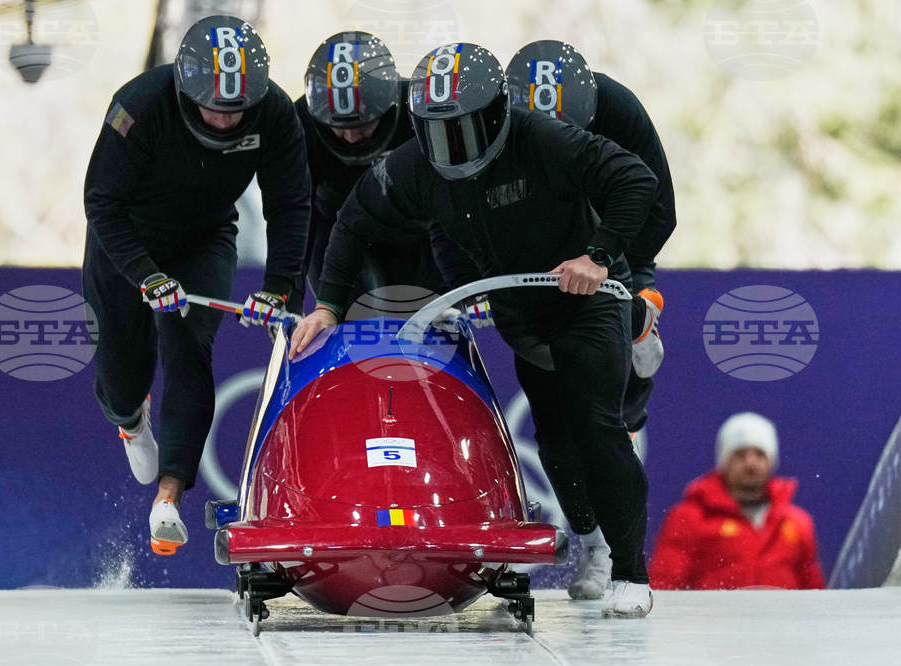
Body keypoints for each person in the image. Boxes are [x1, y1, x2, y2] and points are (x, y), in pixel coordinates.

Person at [291, 43, 658, 618]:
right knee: (555, 438)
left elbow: (635, 179)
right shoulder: (415, 165)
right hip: (522, 312)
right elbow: (353, 221)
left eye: (465, 130)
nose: (452, 148)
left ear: (497, 115)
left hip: (584, 304)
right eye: (439, 132)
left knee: (595, 427)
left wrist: (599, 256)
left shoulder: (544, 139)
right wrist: (329, 306)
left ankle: (633, 575)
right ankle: (595, 550)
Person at [83, 15, 309, 556]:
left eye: (236, 112)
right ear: (185, 91)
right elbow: (101, 203)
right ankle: (130, 422)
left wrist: (279, 288)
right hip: (126, 242)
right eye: (213, 109)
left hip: (203, 238)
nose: (224, 122)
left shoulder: (275, 113)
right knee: (121, 375)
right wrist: (146, 274)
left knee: (189, 347)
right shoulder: (138, 105)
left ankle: (169, 496)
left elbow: (291, 204)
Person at [499, 40, 677, 600]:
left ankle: (637, 322)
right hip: (536, 260)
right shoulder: (494, 125)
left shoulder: (619, 109)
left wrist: (617, 273)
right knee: (555, 432)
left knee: (601, 416)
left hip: (605, 242)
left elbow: (658, 207)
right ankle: (592, 541)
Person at [291, 31, 446, 316]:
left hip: (417, 234)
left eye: (362, 126)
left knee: (426, 323)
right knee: (355, 320)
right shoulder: (301, 124)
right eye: (339, 128)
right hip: (336, 231)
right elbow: (297, 213)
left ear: (387, 109)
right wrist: (289, 294)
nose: (350, 137)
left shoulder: (421, 112)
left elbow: (450, 200)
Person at [649, 413, 825, 590]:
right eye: (740, 454)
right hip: (714, 618)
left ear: (772, 461)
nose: (750, 463)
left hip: (786, 618)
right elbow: (664, 586)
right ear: (723, 461)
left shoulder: (798, 522)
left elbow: (816, 595)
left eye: (759, 454)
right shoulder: (688, 518)